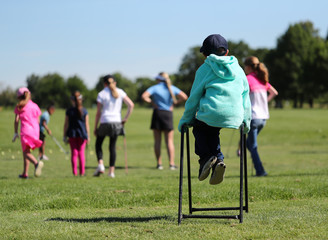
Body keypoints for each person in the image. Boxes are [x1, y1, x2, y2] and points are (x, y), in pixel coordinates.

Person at [178, 34, 251, 185]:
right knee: (211, 130)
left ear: (205, 54)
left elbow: (194, 98)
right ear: (227, 51)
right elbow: (246, 96)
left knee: (199, 128)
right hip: (235, 115)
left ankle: (206, 158)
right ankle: (218, 160)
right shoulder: (238, 69)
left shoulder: (204, 69)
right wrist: (246, 120)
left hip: (211, 112)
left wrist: (186, 120)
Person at [142, 72, 188, 170]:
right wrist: (174, 103)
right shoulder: (172, 87)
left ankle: (159, 164)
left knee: (157, 141)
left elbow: (144, 96)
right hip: (168, 113)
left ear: (159, 79)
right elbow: (184, 97)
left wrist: (152, 103)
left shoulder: (155, 88)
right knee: (169, 141)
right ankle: (171, 164)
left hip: (157, 113)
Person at [93, 75, 134, 177]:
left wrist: (95, 127)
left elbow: (98, 112)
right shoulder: (120, 92)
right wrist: (125, 119)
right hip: (116, 122)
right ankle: (111, 172)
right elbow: (131, 105)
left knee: (98, 144)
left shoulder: (101, 94)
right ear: (114, 82)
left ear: (104, 84)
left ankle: (101, 164)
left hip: (105, 121)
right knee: (112, 147)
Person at [243, 56, 278, 177]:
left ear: (248, 67)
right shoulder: (262, 79)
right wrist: (264, 103)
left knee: (252, 146)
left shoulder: (247, 79)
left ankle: (260, 171)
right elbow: (274, 92)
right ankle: (258, 168)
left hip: (253, 117)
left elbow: (243, 97)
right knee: (249, 144)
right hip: (263, 118)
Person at [13, 87, 44, 178]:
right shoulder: (35, 106)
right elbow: (38, 120)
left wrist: (15, 132)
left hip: (26, 131)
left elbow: (16, 120)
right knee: (27, 151)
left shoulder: (20, 106)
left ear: (19, 97)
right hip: (35, 131)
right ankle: (25, 173)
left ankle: (36, 164)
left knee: (25, 152)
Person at [63, 91, 90, 176]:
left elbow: (66, 124)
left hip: (72, 134)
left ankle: (74, 172)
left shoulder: (69, 111)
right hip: (82, 134)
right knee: (81, 153)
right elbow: (87, 124)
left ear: (72, 100)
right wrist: (88, 136)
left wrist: (64, 135)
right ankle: (82, 172)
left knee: (74, 153)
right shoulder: (84, 111)